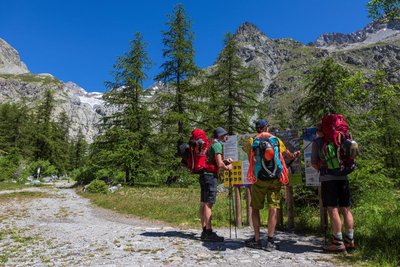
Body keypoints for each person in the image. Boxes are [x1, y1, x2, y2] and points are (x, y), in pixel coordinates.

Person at [245, 119, 300, 250]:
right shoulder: (276, 140)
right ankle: (270, 241)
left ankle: (257, 240)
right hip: (275, 178)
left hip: (259, 179)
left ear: (258, 128)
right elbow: (289, 156)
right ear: (266, 128)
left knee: (256, 208)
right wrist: (295, 154)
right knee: (273, 207)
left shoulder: (252, 141)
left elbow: (251, 160)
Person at [311, 124, 355, 253]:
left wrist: (324, 170)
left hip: (328, 179)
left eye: (317, 130)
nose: (317, 133)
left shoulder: (318, 142)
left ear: (321, 131)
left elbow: (313, 162)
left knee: (333, 209)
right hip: (343, 177)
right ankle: (350, 240)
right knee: (345, 208)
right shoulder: (342, 138)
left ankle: (338, 242)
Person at [200, 127, 233, 242]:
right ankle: (209, 233)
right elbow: (219, 164)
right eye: (225, 134)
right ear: (221, 135)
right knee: (209, 203)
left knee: (204, 202)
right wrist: (227, 167)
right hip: (210, 177)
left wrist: (224, 161)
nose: (226, 136)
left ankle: (204, 231)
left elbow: (213, 160)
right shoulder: (218, 145)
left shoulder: (211, 144)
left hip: (204, 175)